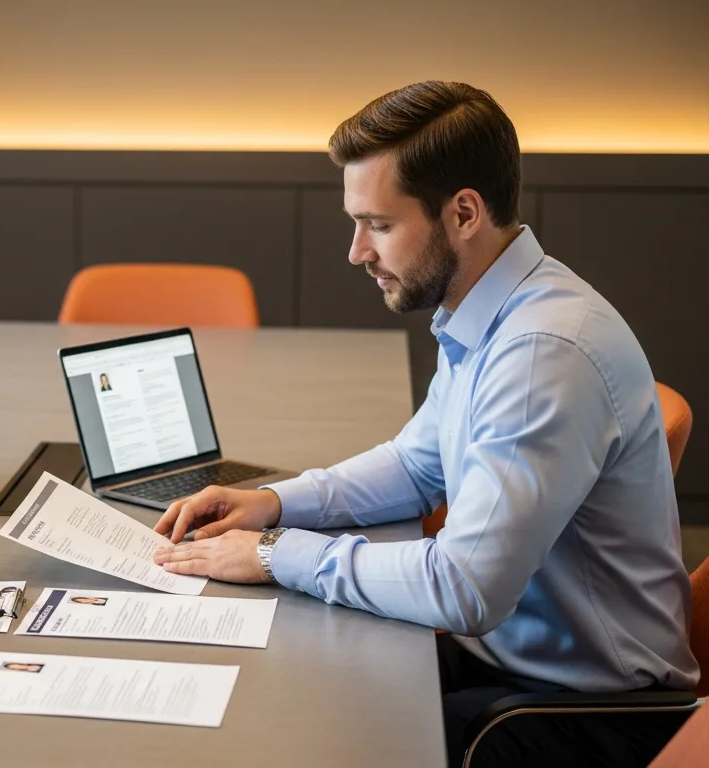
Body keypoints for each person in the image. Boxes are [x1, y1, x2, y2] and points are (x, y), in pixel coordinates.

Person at [151, 82, 698, 766]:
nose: (357, 251)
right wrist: (271, 504)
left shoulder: (542, 351)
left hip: (582, 715)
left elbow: (465, 589)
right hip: (513, 668)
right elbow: (417, 465)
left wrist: (275, 554)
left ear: (463, 213)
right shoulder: (490, 310)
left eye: (378, 224)